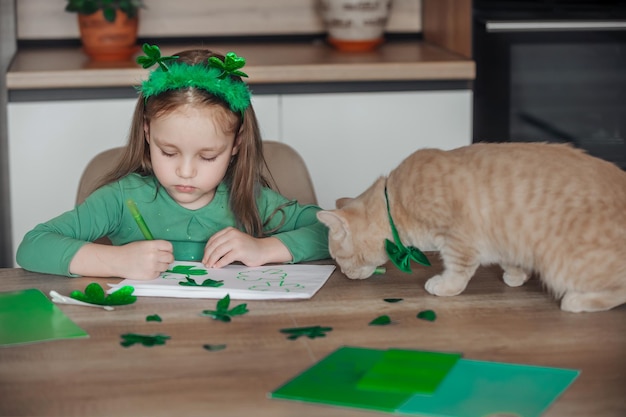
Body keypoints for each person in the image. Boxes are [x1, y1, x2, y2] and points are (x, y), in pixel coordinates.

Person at [17, 44, 329, 280]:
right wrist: (116, 261)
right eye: (169, 152)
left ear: (237, 143)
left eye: (207, 156)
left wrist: (264, 250)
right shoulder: (120, 200)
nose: (186, 171)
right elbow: (33, 246)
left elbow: (333, 231)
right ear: (147, 131)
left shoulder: (249, 200)